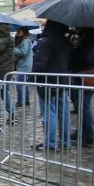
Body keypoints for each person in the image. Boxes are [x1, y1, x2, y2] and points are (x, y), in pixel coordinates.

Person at [32, 20, 72, 151]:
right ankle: (65, 142)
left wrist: (32, 78)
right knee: (63, 112)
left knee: (49, 113)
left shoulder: (45, 42)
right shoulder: (66, 41)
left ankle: (51, 143)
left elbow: (39, 64)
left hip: (47, 82)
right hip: (62, 81)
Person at [70, 27, 94, 148]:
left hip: (86, 74)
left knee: (83, 105)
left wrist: (73, 52)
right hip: (89, 73)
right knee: (81, 105)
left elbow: (88, 57)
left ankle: (90, 136)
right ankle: (81, 131)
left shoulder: (90, 37)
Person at [13, 27, 34, 107]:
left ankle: (20, 101)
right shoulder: (24, 40)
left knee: (19, 84)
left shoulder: (25, 40)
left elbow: (23, 52)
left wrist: (14, 49)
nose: (17, 32)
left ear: (23, 32)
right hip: (25, 65)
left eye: (19, 31)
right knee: (24, 84)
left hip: (24, 66)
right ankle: (26, 100)